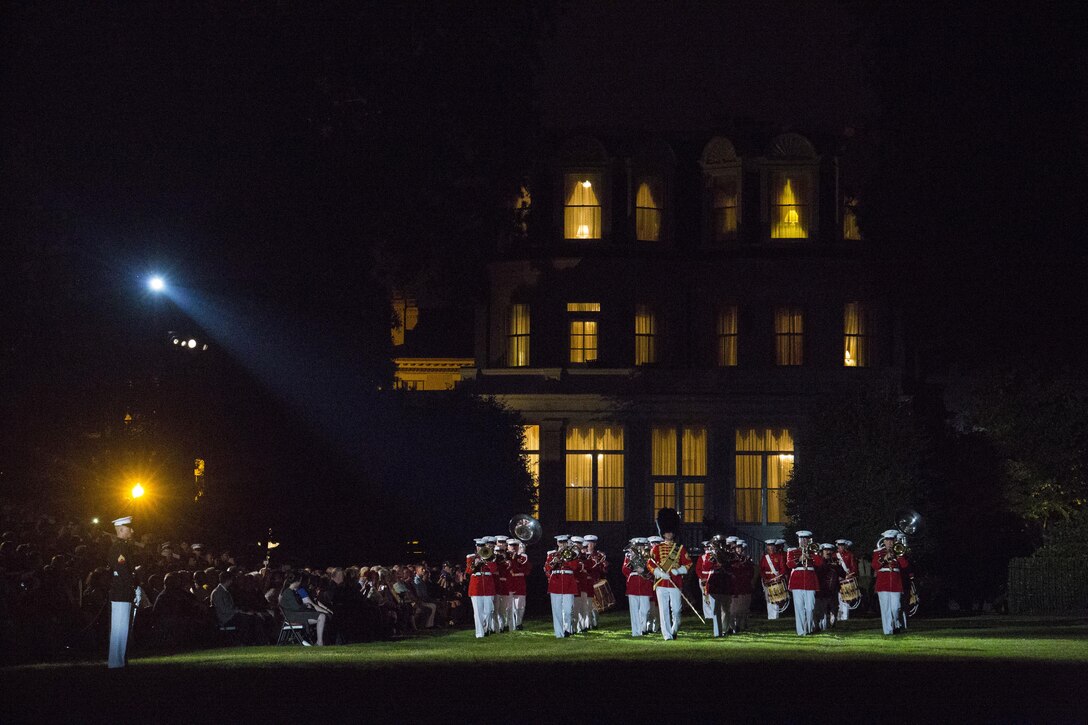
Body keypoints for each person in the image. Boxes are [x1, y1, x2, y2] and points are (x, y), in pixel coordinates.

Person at [647, 508, 692, 641]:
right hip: (661, 583)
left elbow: (688, 563)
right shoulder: (656, 548)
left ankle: (674, 629)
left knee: (677, 610)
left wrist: (678, 571)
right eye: (666, 532)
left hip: (676, 583)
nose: (668, 534)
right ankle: (666, 634)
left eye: (670, 532)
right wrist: (659, 573)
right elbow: (650, 563)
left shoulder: (680, 548)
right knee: (663, 610)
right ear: (662, 532)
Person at [107, 515, 136, 668]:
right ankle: (117, 662)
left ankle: (117, 661)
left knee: (121, 627)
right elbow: (123, 569)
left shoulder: (121, 546)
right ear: (122, 529)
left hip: (121, 590)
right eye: (129, 528)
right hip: (121, 590)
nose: (132, 530)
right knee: (120, 627)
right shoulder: (120, 547)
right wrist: (131, 585)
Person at [786, 530, 822, 636]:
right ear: (798, 540)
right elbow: (789, 564)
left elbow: (820, 563)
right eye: (802, 539)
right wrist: (799, 559)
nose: (803, 541)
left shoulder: (813, 551)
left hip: (810, 581)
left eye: (806, 539)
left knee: (810, 607)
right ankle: (801, 631)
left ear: (809, 540)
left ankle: (809, 628)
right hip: (797, 581)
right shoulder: (792, 551)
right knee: (799, 607)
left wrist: (812, 555)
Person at [873, 530, 909, 635]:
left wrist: (898, 556)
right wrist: (884, 559)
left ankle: (896, 624)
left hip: (896, 583)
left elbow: (905, 566)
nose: (889, 542)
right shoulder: (878, 552)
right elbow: (875, 566)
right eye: (887, 540)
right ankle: (888, 631)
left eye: (891, 540)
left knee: (896, 607)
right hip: (882, 582)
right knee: (885, 609)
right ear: (884, 541)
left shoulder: (899, 551)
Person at [544, 534, 579, 638]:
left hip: (568, 582)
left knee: (568, 610)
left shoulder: (573, 554)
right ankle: (559, 633)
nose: (562, 544)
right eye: (560, 542)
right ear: (557, 543)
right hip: (555, 582)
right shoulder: (551, 554)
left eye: (564, 542)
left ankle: (568, 629)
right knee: (556, 610)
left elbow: (575, 566)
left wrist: (565, 560)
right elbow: (547, 568)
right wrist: (555, 561)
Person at [466, 538, 498, 638]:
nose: (481, 548)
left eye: (482, 546)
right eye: (479, 546)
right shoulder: (471, 557)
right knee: (478, 612)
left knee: (489, 611)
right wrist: (475, 564)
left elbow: (493, 570)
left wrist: (487, 560)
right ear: (476, 547)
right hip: (476, 586)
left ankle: (486, 628)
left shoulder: (491, 556)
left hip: (488, 586)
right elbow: (468, 571)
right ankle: (480, 633)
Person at [622, 538, 652, 636]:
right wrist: (633, 568)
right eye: (638, 545)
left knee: (645, 609)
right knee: (634, 610)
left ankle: (643, 628)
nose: (639, 547)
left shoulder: (648, 555)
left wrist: (644, 571)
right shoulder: (629, 555)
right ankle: (636, 632)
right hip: (633, 583)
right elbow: (624, 569)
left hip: (645, 583)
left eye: (642, 545)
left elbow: (652, 569)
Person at [582, 534, 606, 629]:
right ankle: (588, 623)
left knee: (595, 604)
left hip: (595, 581)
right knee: (586, 603)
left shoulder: (599, 555)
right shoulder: (582, 555)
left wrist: (602, 563)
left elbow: (604, 569)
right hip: (585, 581)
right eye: (588, 543)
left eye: (591, 543)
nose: (589, 545)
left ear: (595, 544)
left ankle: (595, 623)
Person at [759, 538, 787, 620]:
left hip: (776, 579)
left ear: (775, 547)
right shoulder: (764, 558)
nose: (771, 549)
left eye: (772, 547)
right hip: (767, 580)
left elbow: (783, 569)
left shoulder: (779, 556)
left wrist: (778, 577)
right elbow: (761, 569)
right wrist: (765, 578)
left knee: (777, 597)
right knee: (768, 597)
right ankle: (770, 616)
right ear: (767, 548)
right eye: (769, 547)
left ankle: (775, 616)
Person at [729, 541, 754, 633]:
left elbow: (750, 572)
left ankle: (739, 626)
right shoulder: (731, 559)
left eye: (740, 547)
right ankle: (731, 627)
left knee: (742, 609)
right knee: (732, 609)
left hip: (744, 587)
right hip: (734, 587)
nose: (739, 549)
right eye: (737, 548)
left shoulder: (746, 559)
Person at [814, 543, 840, 630]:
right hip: (822, 589)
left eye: (830, 550)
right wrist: (829, 565)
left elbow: (842, 573)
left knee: (834, 607)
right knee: (820, 609)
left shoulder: (835, 561)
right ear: (822, 552)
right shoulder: (818, 561)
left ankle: (832, 624)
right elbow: (818, 572)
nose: (828, 552)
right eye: (826, 550)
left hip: (833, 589)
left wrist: (837, 566)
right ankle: (818, 625)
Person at [506, 541, 530, 630]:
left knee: (520, 605)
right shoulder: (505, 556)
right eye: (511, 545)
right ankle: (508, 624)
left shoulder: (522, 557)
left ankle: (518, 623)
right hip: (509, 582)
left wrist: (519, 555)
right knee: (508, 606)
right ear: (507, 546)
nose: (513, 547)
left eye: (515, 545)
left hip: (519, 582)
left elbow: (525, 569)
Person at [834, 539, 859, 622]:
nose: (840, 547)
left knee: (846, 599)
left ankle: (845, 617)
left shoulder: (850, 555)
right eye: (839, 546)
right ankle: (838, 617)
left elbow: (854, 568)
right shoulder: (834, 555)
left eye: (842, 545)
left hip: (846, 579)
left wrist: (849, 575)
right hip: (837, 580)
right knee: (838, 599)